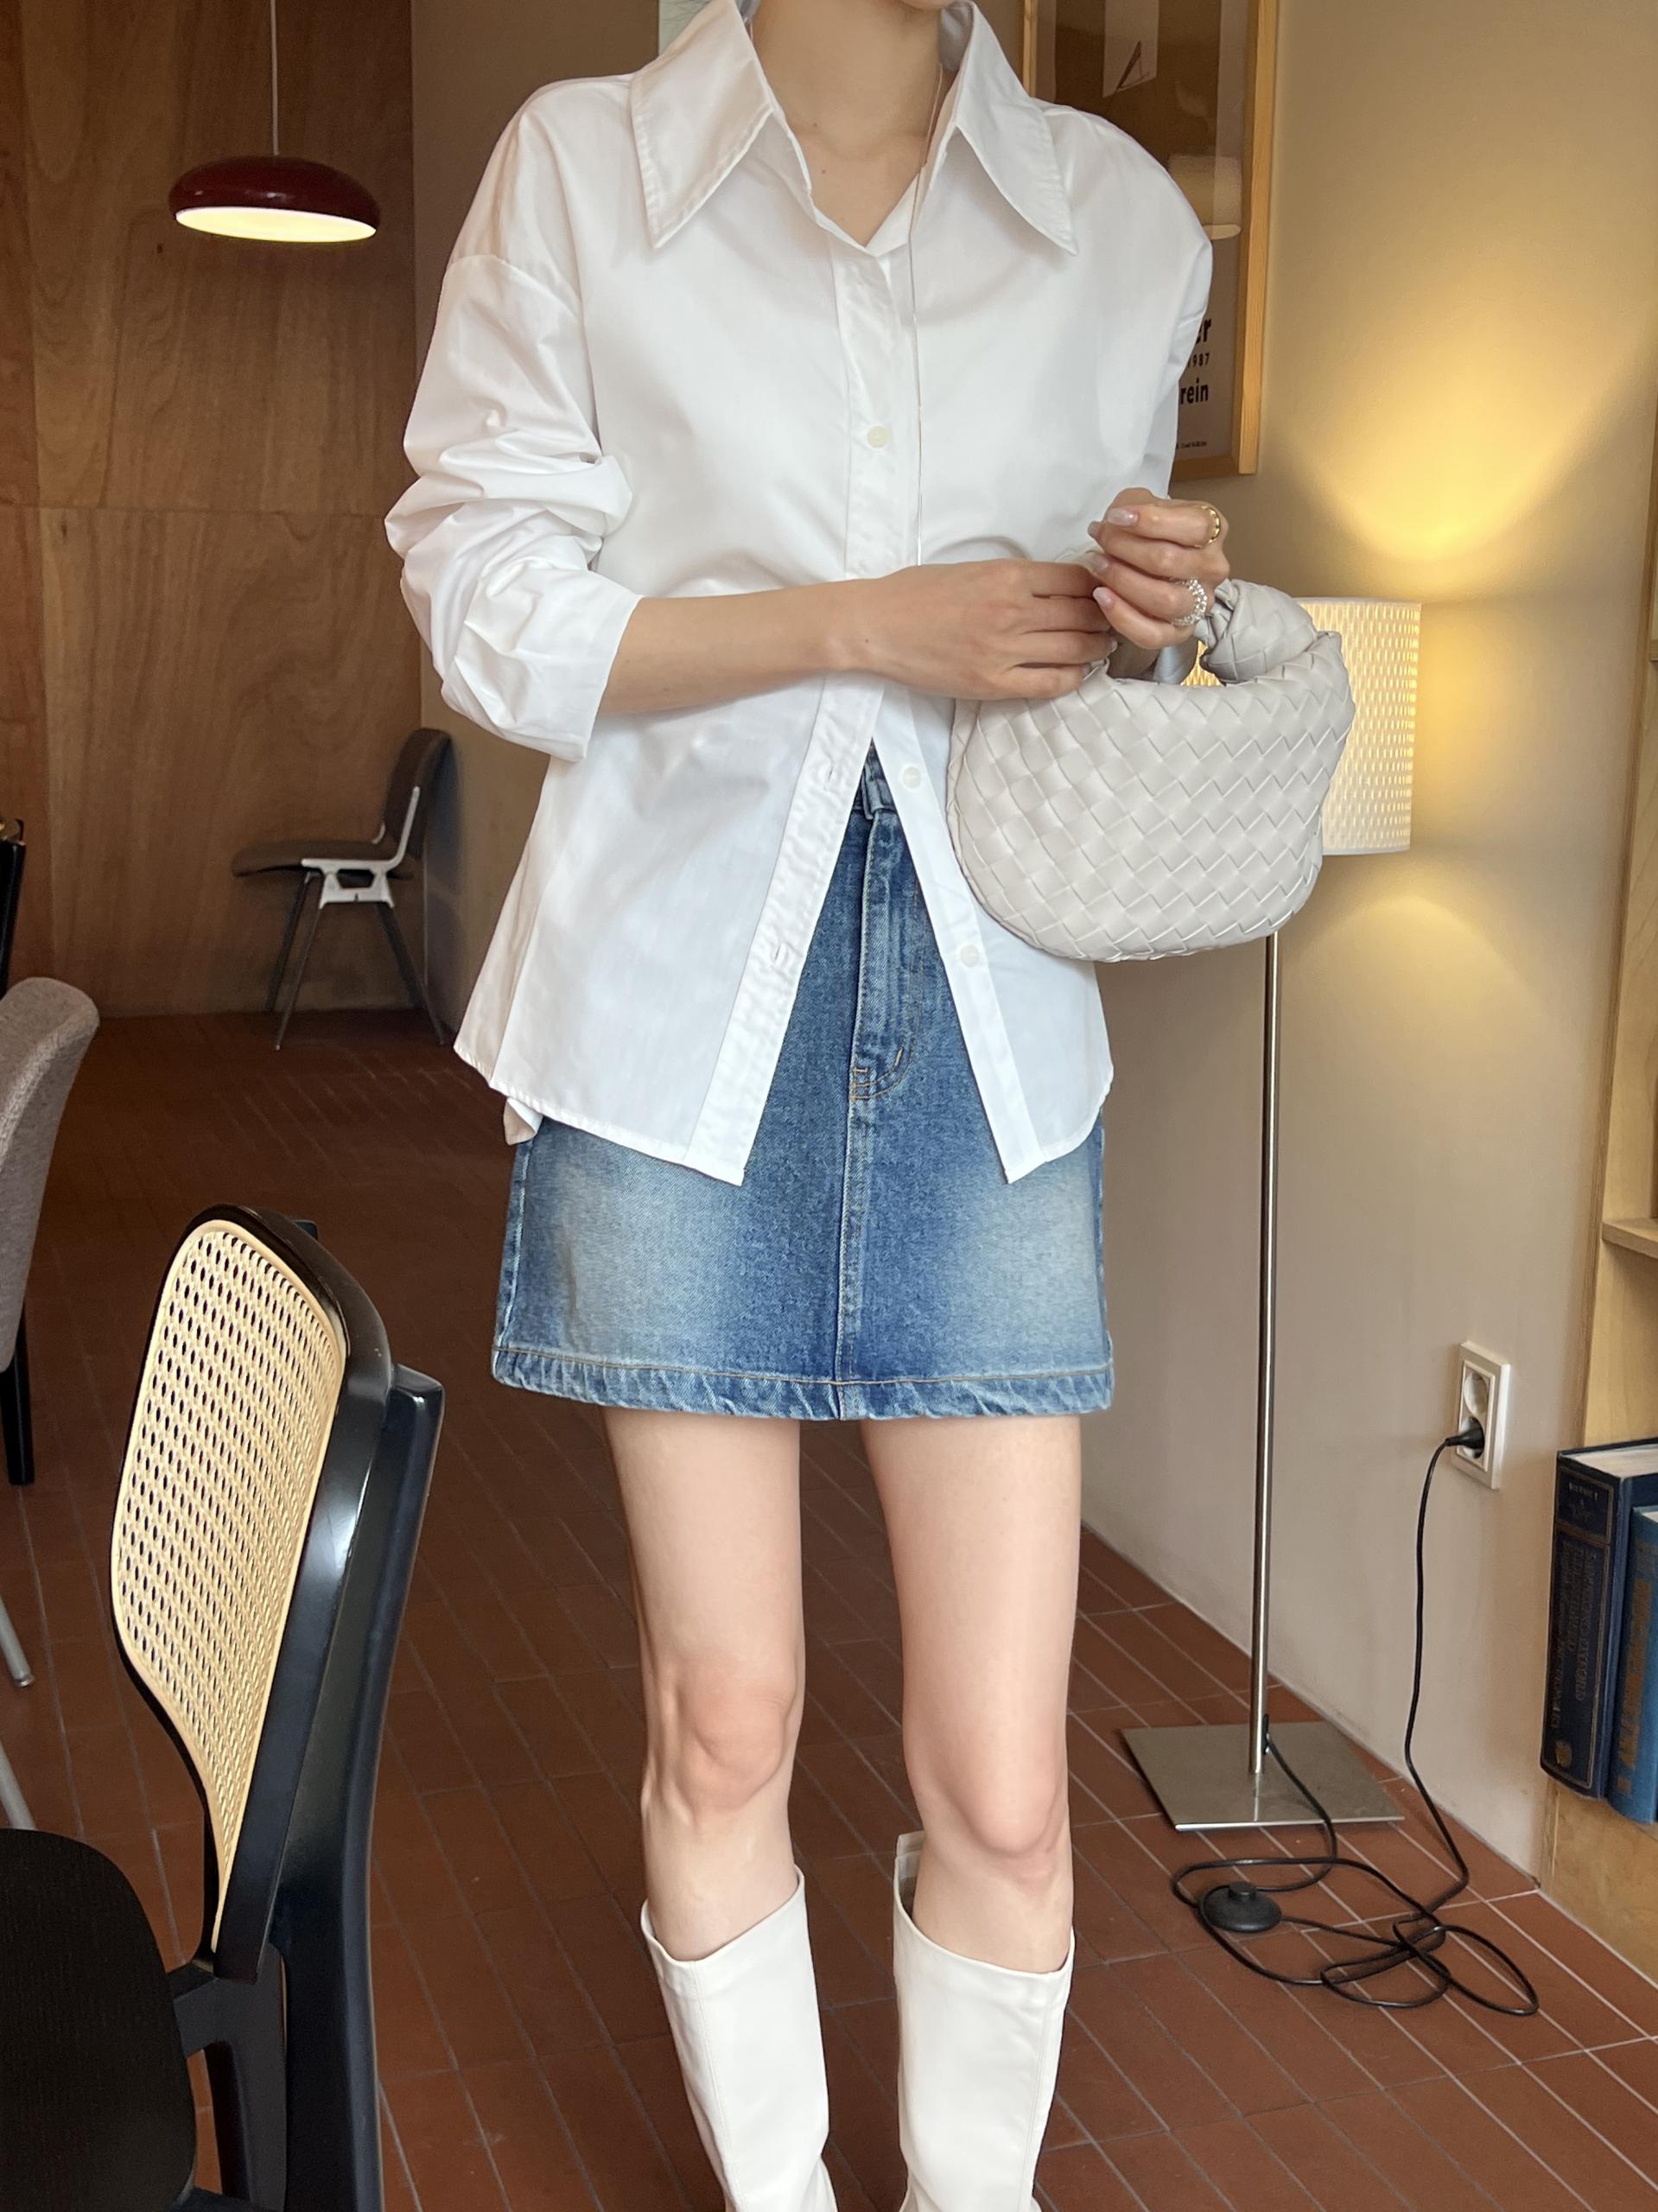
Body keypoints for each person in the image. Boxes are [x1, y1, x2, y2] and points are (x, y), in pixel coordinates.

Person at [385, 2, 1230, 2205]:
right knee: (724, 1712)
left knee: (1009, 1787)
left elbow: (1087, 657)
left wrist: (1148, 604)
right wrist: (862, 624)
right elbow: (480, 603)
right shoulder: (583, 169)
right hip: (675, 1017)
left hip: (990, 1029)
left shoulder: (1121, 224)